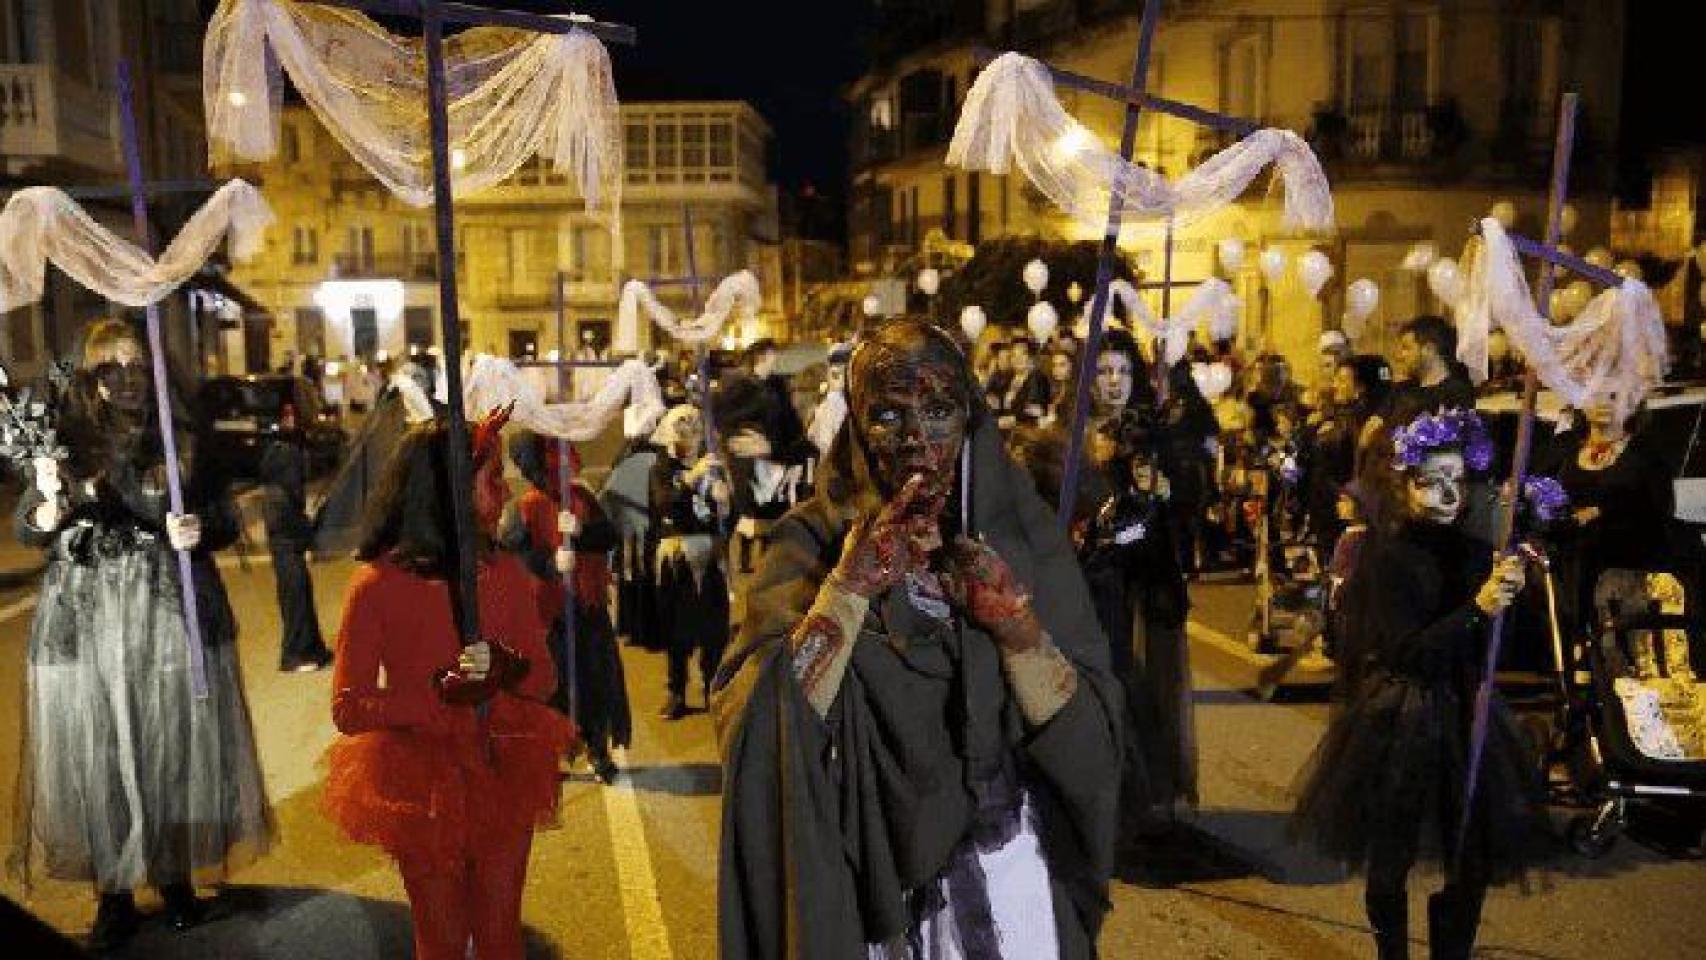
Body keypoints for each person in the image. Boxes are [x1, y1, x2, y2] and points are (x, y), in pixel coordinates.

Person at [713, 319, 1122, 959]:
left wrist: (1015, 627)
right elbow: (759, 725)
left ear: (968, 417)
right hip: (872, 891)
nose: (914, 439)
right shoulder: (809, 544)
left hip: (1010, 877)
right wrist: (847, 592)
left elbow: (1091, 743)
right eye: (888, 416)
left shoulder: (1022, 534)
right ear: (856, 423)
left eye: (936, 411)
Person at [10, 319, 274, 950]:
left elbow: (222, 518)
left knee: (169, 743)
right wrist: (48, 505)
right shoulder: (64, 443)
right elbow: (29, 524)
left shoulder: (180, 437)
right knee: (101, 750)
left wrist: (199, 529)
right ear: (91, 377)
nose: (127, 380)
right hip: (86, 616)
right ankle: (115, 895)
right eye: (112, 369)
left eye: (138, 367)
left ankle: (174, 875)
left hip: (164, 615)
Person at [1292, 408, 1544, 960]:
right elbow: (1410, 652)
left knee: (1470, 856)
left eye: (1458, 479)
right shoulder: (1387, 554)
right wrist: (1478, 609)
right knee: (1390, 861)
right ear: (1406, 486)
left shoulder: (1479, 550)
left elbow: (1500, 649)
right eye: (1433, 481)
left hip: (1466, 709)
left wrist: (1512, 595)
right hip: (1403, 713)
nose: (1449, 493)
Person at [321, 414, 575, 960]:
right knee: (439, 939)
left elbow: (545, 678)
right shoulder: (375, 587)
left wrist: (504, 668)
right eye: (492, 478)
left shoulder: (502, 573)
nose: (506, 489)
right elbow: (349, 707)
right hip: (421, 784)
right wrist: (437, 694)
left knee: (501, 935)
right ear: (450, 491)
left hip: (502, 763)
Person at [1080, 408, 1194, 839]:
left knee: (1124, 689)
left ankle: (1134, 800)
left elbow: (1147, 544)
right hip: (1098, 600)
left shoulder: (1142, 501)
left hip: (1119, 602)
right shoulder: (1104, 493)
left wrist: (1149, 512)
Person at [501, 432, 630, 785]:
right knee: (552, 685)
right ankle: (549, 754)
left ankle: (597, 750)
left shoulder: (583, 498)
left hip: (587, 609)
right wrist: (548, 562)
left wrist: (583, 532)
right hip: (549, 615)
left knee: (594, 681)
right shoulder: (524, 507)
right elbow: (513, 553)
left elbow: (609, 536)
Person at [650, 403, 731, 720]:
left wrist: (726, 503)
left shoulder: (713, 465)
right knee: (678, 631)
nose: (691, 439)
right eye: (684, 433)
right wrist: (688, 481)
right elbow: (662, 504)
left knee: (714, 630)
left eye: (696, 432)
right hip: (677, 558)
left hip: (710, 555)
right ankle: (676, 691)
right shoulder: (663, 468)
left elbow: (728, 516)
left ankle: (713, 687)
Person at [259, 437, 334, 671]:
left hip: (292, 559)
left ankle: (311, 649)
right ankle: (294, 655)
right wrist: (311, 526)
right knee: (296, 609)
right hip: (288, 561)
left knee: (302, 605)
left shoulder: (279, 493)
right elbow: (293, 530)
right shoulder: (276, 497)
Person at [1378, 315, 1477, 432]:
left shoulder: (1457, 392)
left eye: (1406, 348)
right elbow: (1373, 426)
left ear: (1429, 349)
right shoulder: (1400, 389)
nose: (1399, 356)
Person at [999, 337, 1052, 429]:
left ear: (1030, 357)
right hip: (1004, 430)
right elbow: (1000, 405)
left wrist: (1014, 419)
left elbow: (1034, 410)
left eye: (1023, 354)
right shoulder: (1007, 378)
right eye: (1013, 355)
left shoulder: (1037, 378)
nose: (1017, 358)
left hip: (1027, 432)